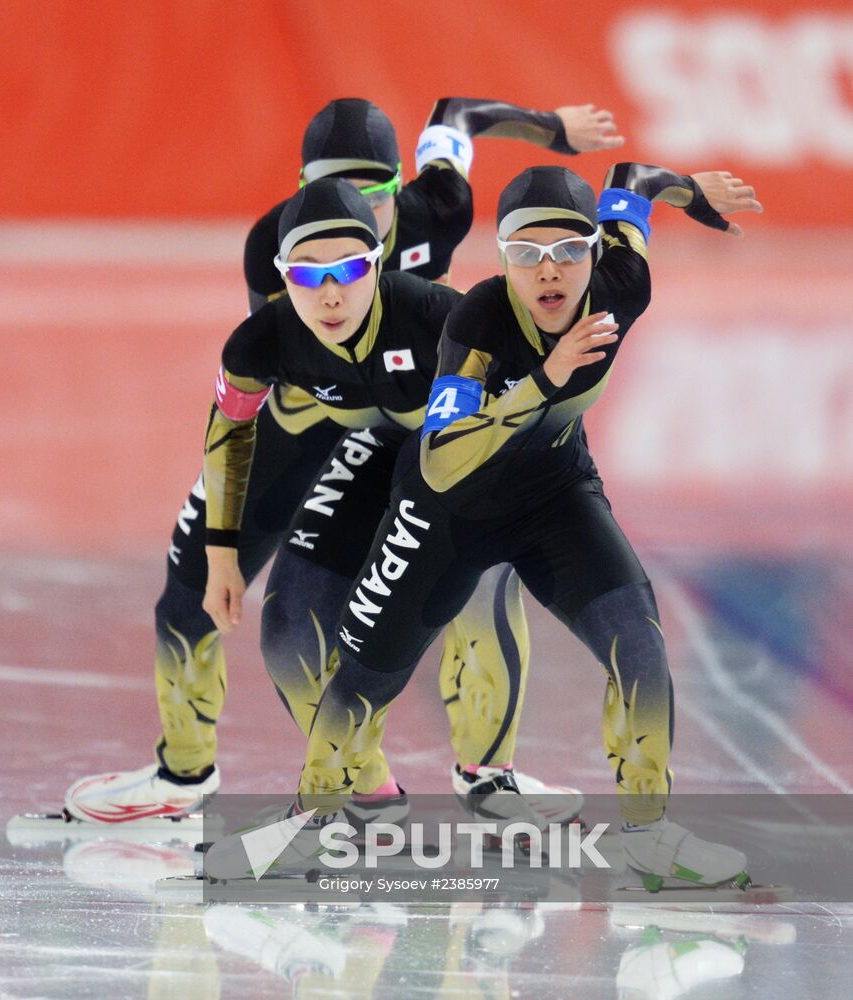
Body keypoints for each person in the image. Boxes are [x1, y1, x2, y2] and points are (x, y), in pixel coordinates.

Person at [65, 96, 624, 825]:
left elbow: (456, 117)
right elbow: (277, 360)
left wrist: (551, 130)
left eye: (375, 190)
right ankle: (185, 772)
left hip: (419, 422)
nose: (358, 206)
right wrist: (227, 545)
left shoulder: (439, 211)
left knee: (483, 581)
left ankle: (489, 778)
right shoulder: (279, 246)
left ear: (401, 187)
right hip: (311, 416)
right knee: (199, 576)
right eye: (335, 190)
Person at [289, 162, 765, 891]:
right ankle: (310, 824)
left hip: (553, 497)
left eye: (568, 251)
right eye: (525, 254)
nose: (548, 273)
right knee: (361, 684)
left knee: (639, 646)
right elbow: (443, 459)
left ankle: (648, 836)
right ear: (503, 257)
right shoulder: (474, 324)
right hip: (447, 512)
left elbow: (631, 180)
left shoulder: (622, 286)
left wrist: (687, 194)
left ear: (595, 254)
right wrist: (542, 383)